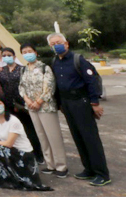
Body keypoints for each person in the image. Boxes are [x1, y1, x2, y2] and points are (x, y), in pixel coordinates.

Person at [50, 33, 110, 186]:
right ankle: (88, 169)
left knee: (90, 138)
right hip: (67, 104)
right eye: (53, 44)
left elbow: (92, 82)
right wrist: (59, 104)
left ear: (66, 44)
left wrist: (95, 103)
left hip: (81, 102)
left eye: (58, 42)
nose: (56, 45)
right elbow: (56, 85)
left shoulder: (79, 60)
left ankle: (102, 173)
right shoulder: (55, 62)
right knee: (78, 137)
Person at [0, 97, 52, 191]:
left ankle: (12, 177)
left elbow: (8, 143)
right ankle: (0, 176)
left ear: (5, 104)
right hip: (11, 152)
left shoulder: (13, 120)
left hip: (23, 155)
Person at [19, 43, 68, 177]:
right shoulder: (23, 70)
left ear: (35, 52)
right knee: (42, 136)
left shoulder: (45, 68)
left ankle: (61, 166)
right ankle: (50, 164)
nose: (27, 54)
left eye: (29, 51)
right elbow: (21, 87)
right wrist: (28, 101)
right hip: (31, 108)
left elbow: (50, 87)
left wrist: (39, 101)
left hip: (46, 107)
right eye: (24, 52)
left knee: (53, 136)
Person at [0, 47, 44, 164]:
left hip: (23, 104)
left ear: (14, 56)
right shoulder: (1, 71)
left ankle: (37, 155)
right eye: (4, 55)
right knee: (13, 131)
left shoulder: (22, 69)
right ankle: (17, 155)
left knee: (29, 130)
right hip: (7, 105)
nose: (7, 57)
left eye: (9, 55)